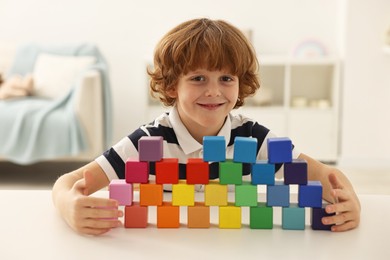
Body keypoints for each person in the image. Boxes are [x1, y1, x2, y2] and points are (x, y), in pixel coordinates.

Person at [52, 18, 361, 235]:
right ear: (172, 85)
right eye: (198, 78)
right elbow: (71, 181)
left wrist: (350, 202)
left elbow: (325, 176)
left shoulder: (253, 139)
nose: (214, 90)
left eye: (226, 78)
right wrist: (68, 204)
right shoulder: (148, 141)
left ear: (241, 84)